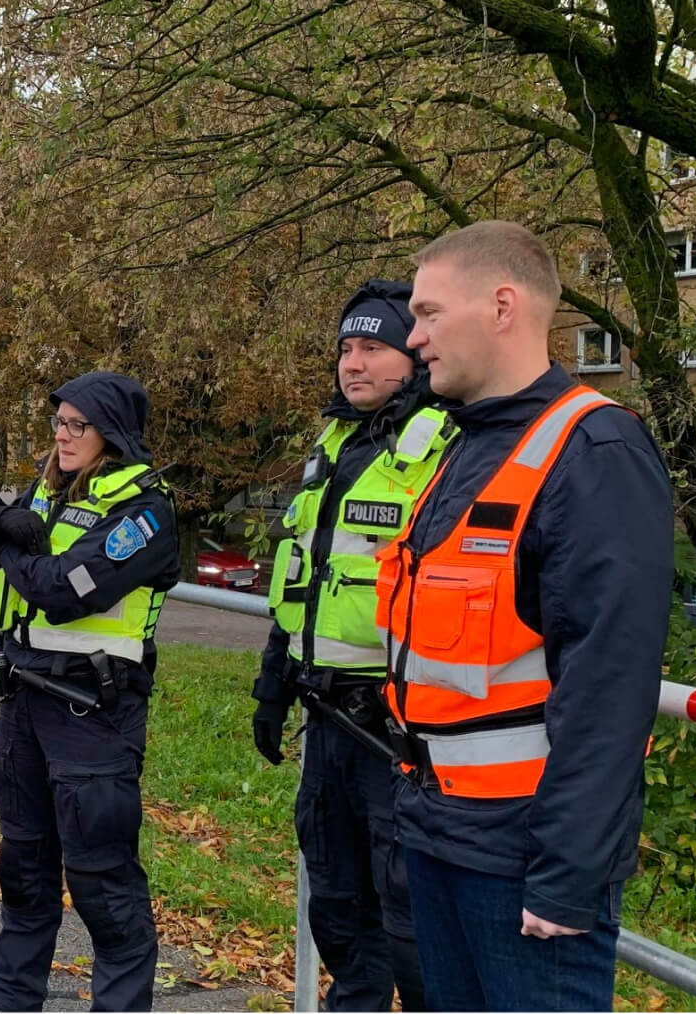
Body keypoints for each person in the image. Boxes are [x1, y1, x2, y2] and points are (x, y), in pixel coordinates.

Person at [382, 221, 672, 1011]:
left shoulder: (593, 453)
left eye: (429, 313)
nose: (414, 338)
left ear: (502, 306)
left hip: (522, 863)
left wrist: (567, 878)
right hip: (438, 834)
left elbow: (609, 688)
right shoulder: (466, 446)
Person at [0, 371, 181, 1013]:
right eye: (58, 422)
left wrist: (7, 548)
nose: (63, 435)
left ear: (111, 431)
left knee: (103, 889)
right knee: (23, 876)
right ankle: (8, 1002)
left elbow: (63, 591)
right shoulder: (46, 489)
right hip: (22, 707)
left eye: (77, 424)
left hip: (92, 715)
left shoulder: (144, 510)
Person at [252, 280, 446, 1011]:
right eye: (345, 348)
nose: (353, 363)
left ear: (413, 356)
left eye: (373, 348)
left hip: (395, 725)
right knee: (334, 901)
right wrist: (273, 685)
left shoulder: (441, 441)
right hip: (324, 715)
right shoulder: (336, 442)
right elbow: (301, 577)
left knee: (409, 915)